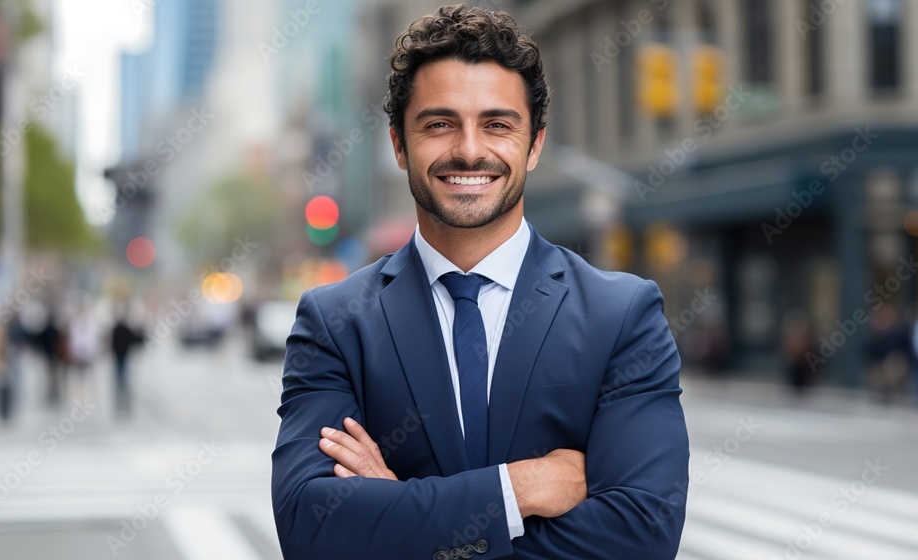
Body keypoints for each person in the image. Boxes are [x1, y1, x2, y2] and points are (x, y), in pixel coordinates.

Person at [271, 5, 689, 559]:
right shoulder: (335, 323)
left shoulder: (621, 315)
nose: (469, 150)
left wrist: (399, 514)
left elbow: (643, 533)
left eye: (497, 124)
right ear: (399, 144)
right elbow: (311, 528)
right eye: (440, 124)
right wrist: (519, 490)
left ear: (534, 144)